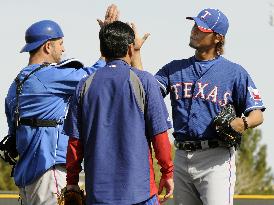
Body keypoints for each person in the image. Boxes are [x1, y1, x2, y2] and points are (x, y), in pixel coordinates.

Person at [4, 5, 119, 205]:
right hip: (49, 170)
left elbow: (12, 135)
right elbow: (93, 76)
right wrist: (106, 42)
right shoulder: (47, 75)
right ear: (48, 46)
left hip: (26, 175)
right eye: (60, 43)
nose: (63, 49)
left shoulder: (15, 85)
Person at [155, 8, 265, 205]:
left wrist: (243, 122)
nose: (194, 30)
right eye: (194, 25)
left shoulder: (234, 73)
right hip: (180, 155)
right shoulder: (173, 68)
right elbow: (146, 92)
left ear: (217, 38)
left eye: (202, 28)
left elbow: (257, 113)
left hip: (216, 159)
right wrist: (135, 52)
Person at [63, 21, 174, 205]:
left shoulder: (84, 84)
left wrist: (72, 181)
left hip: (98, 194)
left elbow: (75, 143)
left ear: (102, 49)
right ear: (130, 48)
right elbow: (160, 135)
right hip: (140, 193)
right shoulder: (145, 80)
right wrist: (167, 172)